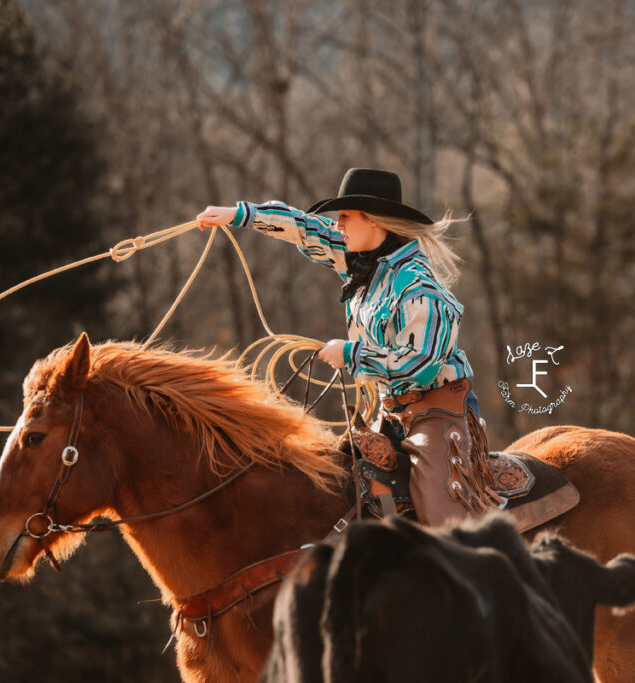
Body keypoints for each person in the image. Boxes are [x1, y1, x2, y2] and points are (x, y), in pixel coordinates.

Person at [197, 168, 497, 526]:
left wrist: (351, 354)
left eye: (344, 217)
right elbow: (306, 228)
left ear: (373, 221)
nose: (336, 226)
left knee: (441, 515)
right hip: (392, 412)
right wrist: (240, 216)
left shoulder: (419, 288)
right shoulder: (362, 261)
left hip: (437, 412)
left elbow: (421, 366)